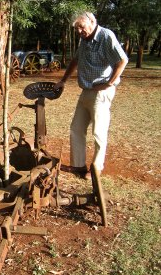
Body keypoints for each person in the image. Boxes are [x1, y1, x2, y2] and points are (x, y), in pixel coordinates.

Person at [54, 11, 128, 179]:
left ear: (92, 22)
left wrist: (109, 83)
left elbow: (122, 60)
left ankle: (96, 168)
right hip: (86, 91)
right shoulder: (84, 40)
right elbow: (75, 60)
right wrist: (63, 80)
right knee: (76, 128)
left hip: (100, 92)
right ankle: (79, 165)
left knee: (98, 132)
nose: (79, 31)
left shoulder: (106, 36)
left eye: (81, 27)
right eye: (77, 29)